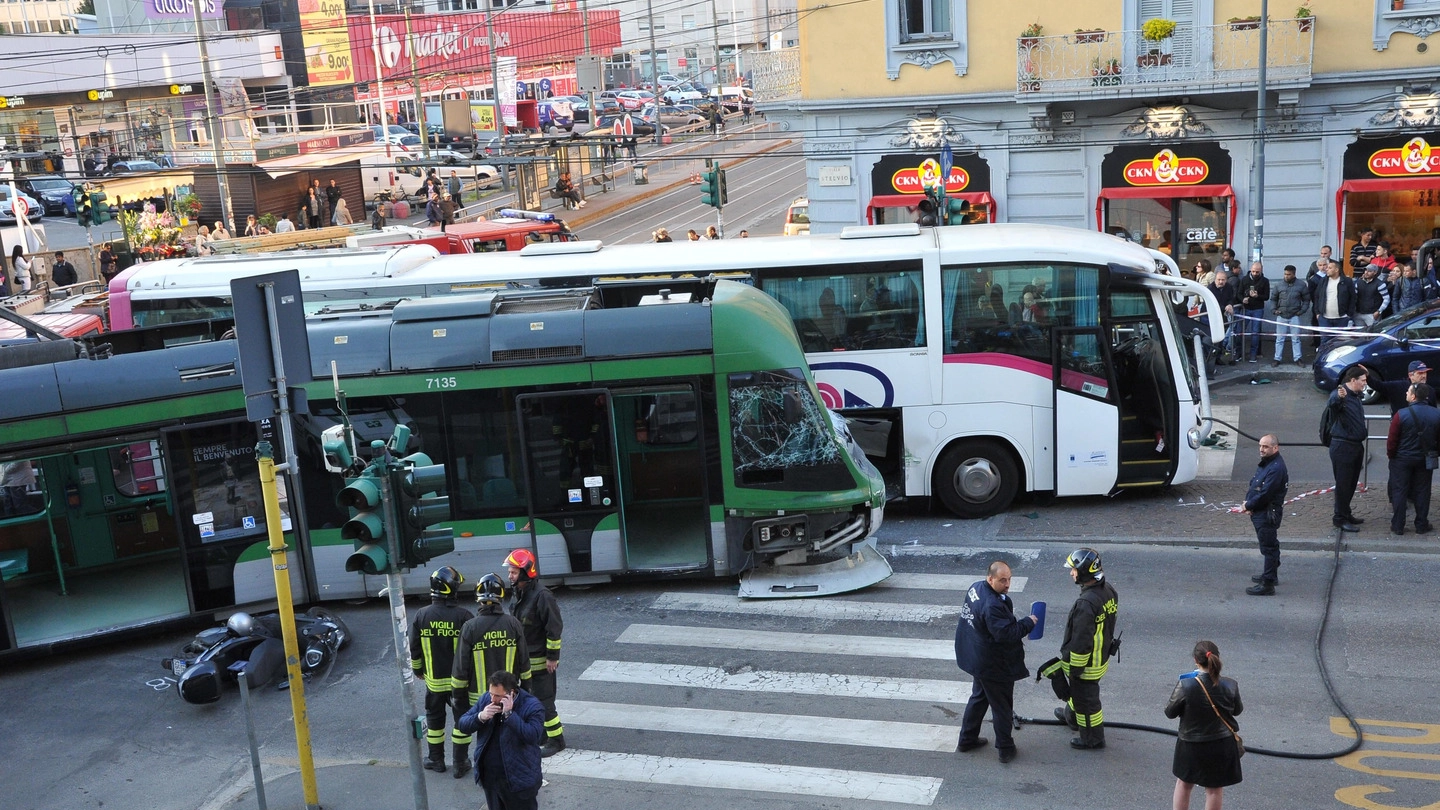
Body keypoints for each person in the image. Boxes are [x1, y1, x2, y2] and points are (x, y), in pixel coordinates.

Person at [954, 561, 1038, 764]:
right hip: (992, 664)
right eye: (1002, 580)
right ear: (990, 578)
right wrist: (1029, 622)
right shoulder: (992, 605)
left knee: (979, 697)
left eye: (1009, 579)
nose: (1008, 584)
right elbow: (1007, 634)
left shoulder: (976, 587)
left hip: (975, 656)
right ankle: (1005, 748)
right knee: (1001, 706)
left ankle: (967, 739)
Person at [1045, 548, 1119, 750]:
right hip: (1100, 658)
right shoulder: (1108, 591)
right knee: (1080, 696)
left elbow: (1080, 641)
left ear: (1084, 571)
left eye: (1074, 569)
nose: (1071, 573)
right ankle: (1072, 716)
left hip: (1086, 666)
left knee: (1088, 704)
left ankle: (1093, 738)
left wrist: (1074, 670)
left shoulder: (1086, 603)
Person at [410, 566, 475, 776]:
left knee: (435, 722)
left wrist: (418, 670)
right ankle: (460, 763)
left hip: (434, 683)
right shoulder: (464, 616)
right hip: (459, 684)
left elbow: (414, 648)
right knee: (461, 722)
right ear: (451, 590)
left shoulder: (421, 615)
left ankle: (436, 760)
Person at [1166, 640, 1244, 810]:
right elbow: (1237, 710)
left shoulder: (1186, 685)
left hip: (1190, 744)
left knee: (1184, 784)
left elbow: (1170, 712)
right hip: (1220, 743)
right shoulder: (1231, 685)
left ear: (1196, 660)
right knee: (1214, 789)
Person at [504, 548, 565, 757]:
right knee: (531, 700)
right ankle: (544, 735)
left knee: (545, 702)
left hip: (541, 661)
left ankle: (556, 740)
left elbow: (554, 628)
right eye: (510, 572)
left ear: (525, 572)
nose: (509, 576)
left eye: (513, 572)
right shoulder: (519, 593)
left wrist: (552, 657)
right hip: (526, 661)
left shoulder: (542, 596)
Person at [456, 670, 545, 810]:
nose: (492, 699)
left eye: (497, 696)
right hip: (491, 779)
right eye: (491, 693)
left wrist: (510, 715)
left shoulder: (532, 706)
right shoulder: (486, 699)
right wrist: (480, 716)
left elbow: (533, 736)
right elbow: (462, 723)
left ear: (511, 693)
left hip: (518, 780)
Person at [1386, 382, 1440, 535]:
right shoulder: (1436, 414)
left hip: (1402, 459)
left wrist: (1392, 455)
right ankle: (1421, 524)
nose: (1406, 394)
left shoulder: (1401, 415)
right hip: (1425, 458)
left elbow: (1392, 441)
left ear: (1414, 396)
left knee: (1399, 491)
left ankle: (1398, 525)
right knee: (1423, 491)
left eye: (1408, 392)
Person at [1238, 434, 1288, 595]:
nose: (1261, 449)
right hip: (1261, 511)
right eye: (1260, 446)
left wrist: (1249, 504)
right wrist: (1249, 503)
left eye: (1265, 446)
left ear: (1275, 448)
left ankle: (1268, 584)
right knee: (1268, 543)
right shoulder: (1268, 463)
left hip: (1267, 513)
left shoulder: (1276, 468)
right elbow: (1256, 484)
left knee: (1268, 547)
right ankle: (1270, 574)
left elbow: (1266, 494)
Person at [1327, 365, 1369, 532]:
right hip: (1343, 447)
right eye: (1363, 381)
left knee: (1351, 483)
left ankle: (1346, 512)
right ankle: (1339, 518)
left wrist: (1366, 373)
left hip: (1355, 446)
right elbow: (1332, 403)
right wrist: (1338, 397)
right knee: (1343, 484)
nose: (1365, 384)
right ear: (1353, 381)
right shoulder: (1341, 394)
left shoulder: (1355, 394)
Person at [1269, 265, 1308, 366]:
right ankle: (1277, 358)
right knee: (1279, 339)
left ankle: (1298, 358)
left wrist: (1301, 311)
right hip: (1281, 315)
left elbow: (1306, 300)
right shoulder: (1279, 285)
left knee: (1296, 339)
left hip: (1294, 315)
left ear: (1294, 274)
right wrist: (1274, 309)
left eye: (1289, 274)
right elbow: (1273, 298)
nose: (1286, 276)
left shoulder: (1301, 285)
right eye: (1285, 274)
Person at [1238, 262, 1269, 363]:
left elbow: (1266, 296)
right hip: (1246, 308)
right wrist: (1243, 299)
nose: (1255, 273)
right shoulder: (1244, 279)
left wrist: (1257, 296)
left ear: (1261, 271)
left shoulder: (1265, 281)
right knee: (1239, 331)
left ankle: (1253, 354)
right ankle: (1239, 353)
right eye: (1253, 271)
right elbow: (1238, 293)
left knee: (1255, 333)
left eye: (1257, 272)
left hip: (1258, 309)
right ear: (1250, 270)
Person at [1312, 260, 1355, 332]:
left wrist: (1349, 314)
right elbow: (1317, 296)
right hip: (1324, 318)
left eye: (1330, 268)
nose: (1326, 269)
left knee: (1340, 341)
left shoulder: (1347, 281)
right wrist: (1317, 313)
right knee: (1325, 340)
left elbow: (1353, 298)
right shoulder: (1323, 281)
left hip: (1342, 318)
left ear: (1336, 270)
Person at [1354, 263, 1390, 328]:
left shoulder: (1380, 284)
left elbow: (1387, 299)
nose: (1366, 272)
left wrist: (1379, 311)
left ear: (1375, 272)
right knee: (1359, 335)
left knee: (1373, 335)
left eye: (1369, 271)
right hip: (1358, 313)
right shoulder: (1358, 282)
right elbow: (1353, 297)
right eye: (1366, 270)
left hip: (1372, 314)